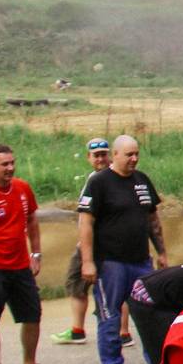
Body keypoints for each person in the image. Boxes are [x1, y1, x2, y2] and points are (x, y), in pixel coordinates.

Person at [77, 134, 166, 364]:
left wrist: (161, 251)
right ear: (115, 155)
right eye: (129, 154)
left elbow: (152, 219)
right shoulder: (99, 182)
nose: (134, 159)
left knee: (150, 316)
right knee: (110, 318)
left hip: (140, 261)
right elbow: (86, 222)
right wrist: (87, 262)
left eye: (137, 154)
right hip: (110, 263)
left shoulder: (142, 181)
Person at [0, 143, 60, 364]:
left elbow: (31, 220)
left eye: (12, 163)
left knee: (32, 315)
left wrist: (36, 253)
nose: (10, 168)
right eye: (4, 164)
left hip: (21, 266)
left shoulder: (22, 188)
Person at [51, 138, 132, 347]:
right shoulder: (113, 178)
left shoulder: (103, 180)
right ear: (88, 157)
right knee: (104, 286)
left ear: (111, 155)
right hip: (110, 244)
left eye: (104, 154)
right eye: (96, 155)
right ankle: (113, 332)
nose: (100, 159)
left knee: (83, 282)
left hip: (99, 244)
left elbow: (89, 218)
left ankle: (118, 333)